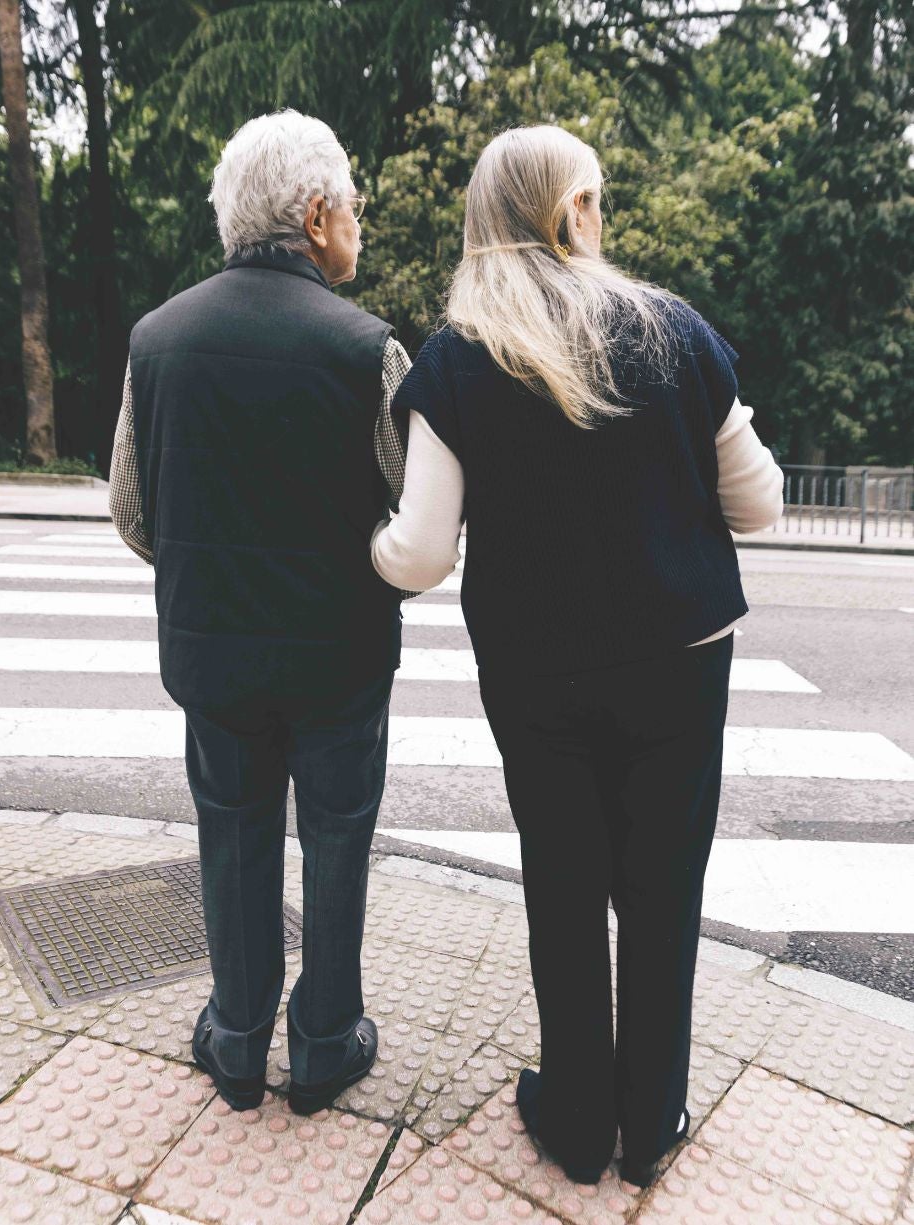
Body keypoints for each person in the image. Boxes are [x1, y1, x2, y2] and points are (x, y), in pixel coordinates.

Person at [371, 125, 784, 1189]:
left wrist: (362, 546)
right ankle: (651, 1121)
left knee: (562, 885)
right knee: (661, 891)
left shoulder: (456, 358)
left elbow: (418, 553)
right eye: (592, 200)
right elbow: (758, 503)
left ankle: (573, 1122)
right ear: (568, 213)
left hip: (538, 672)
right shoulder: (676, 333)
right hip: (678, 659)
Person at [109, 109, 418, 1116]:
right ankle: (324, 1041)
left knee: (232, 831)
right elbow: (410, 514)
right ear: (317, 214)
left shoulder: (157, 341)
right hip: (339, 657)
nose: (358, 224)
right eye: (355, 206)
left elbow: (134, 511)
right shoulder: (367, 348)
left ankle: (236, 1037)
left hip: (214, 654)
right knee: (335, 838)